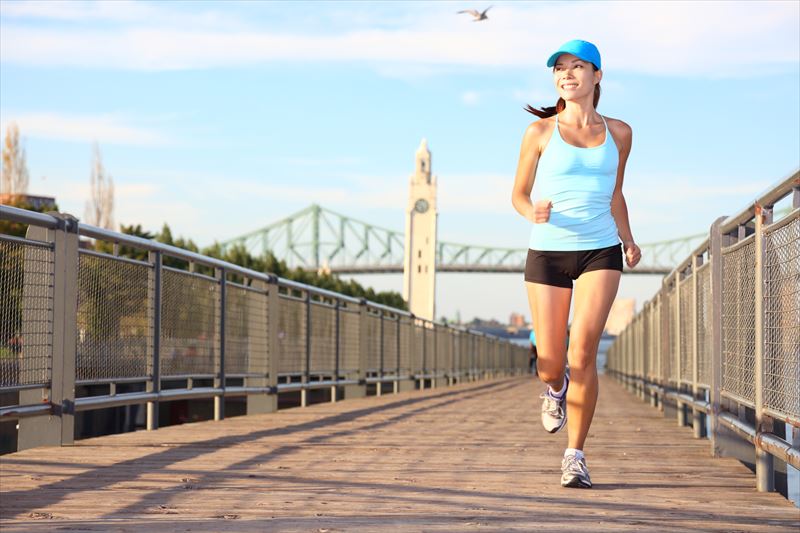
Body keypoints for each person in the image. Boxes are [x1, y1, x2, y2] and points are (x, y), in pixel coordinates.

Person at [510, 39, 641, 488]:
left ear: (597, 76)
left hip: (600, 251)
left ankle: (575, 454)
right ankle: (554, 388)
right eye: (560, 69)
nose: (567, 74)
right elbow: (518, 194)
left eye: (578, 66)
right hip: (547, 251)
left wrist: (627, 238)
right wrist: (532, 213)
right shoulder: (540, 133)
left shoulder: (620, 133)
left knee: (583, 354)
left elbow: (616, 193)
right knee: (551, 361)